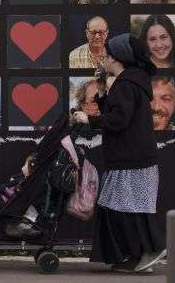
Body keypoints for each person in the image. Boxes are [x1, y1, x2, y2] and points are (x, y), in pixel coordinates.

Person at [71, 34, 166, 273]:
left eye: (107, 54)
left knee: (126, 208)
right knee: (121, 207)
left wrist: (88, 119)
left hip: (130, 160)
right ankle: (136, 256)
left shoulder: (126, 83)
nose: (104, 58)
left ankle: (151, 250)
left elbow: (118, 119)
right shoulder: (131, 81)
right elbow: (118, 111)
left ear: (117, 58)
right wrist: (102, 91)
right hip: (133, 159)